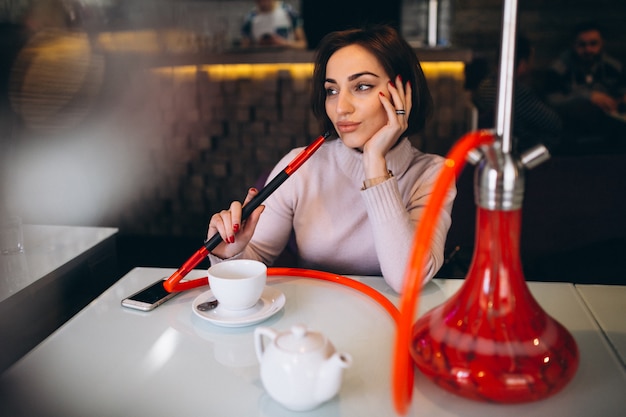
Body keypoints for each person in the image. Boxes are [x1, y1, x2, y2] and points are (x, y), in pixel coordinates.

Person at [206, 25, 455, 293]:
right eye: (332, 91)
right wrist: (229, 254)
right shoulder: (303, 164)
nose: (340, 108)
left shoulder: (433, 174)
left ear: (403, 93)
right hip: (308, 325)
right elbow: (255, 257)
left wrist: (374, 164)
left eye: (362, 86)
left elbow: (408, 279)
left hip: (391, 325)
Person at [471, 36, 562, 153]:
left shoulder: (484, 85)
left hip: (490, 149)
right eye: (531, 60)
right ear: (523, 64)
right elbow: (554, 124)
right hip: (517, 152)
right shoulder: (514, 91)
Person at [545, 21, 626, 152]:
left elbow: (622, 90)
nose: (588, 50)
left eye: (593, 44)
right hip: (571, 131)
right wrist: (587, 97)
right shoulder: (558, 69)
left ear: (602, 44)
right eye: (582, 45)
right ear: (573, 44)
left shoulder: (613, 67)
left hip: (608, 130)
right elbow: (552, 101)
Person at [240, 0, 307, 49]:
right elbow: (244, 50)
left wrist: (282, 43)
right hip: (260, 63)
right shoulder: (250, 19)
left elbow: (303, 44)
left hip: (288, 61)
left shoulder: (289, 12)